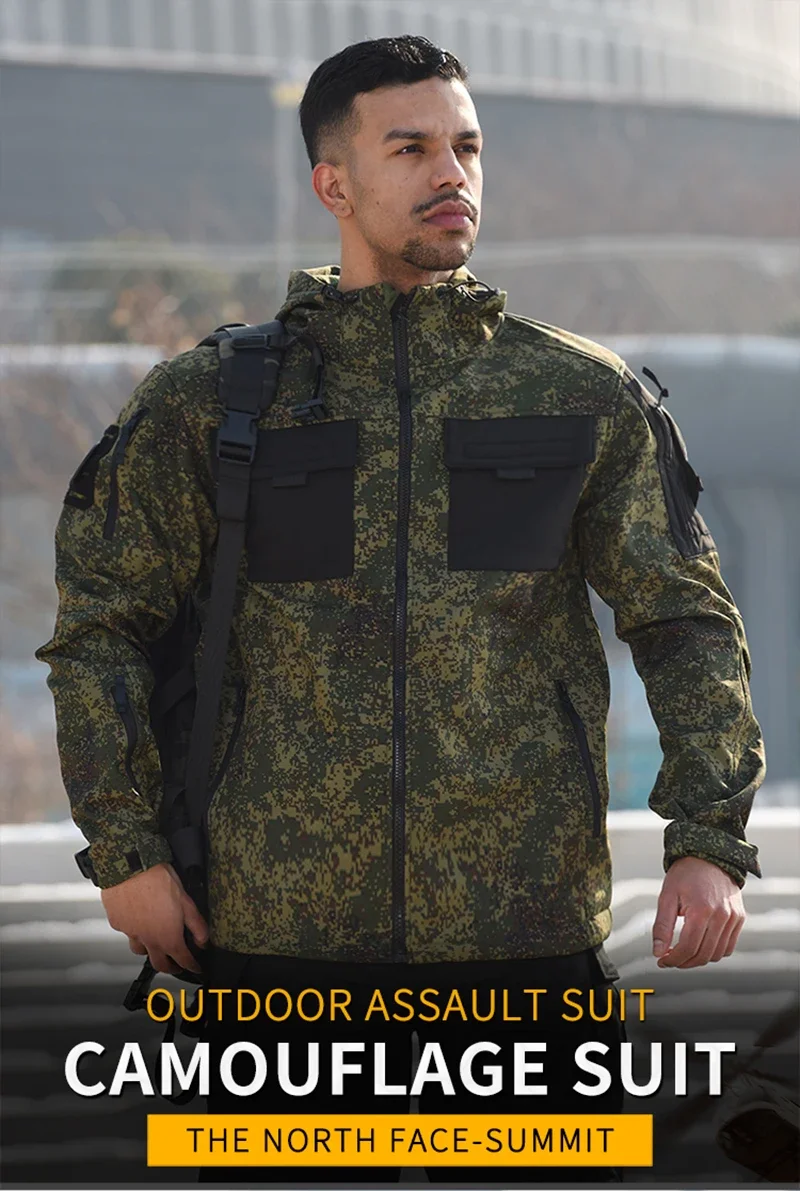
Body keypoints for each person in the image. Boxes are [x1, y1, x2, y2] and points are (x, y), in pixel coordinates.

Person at [37, 35, 765, 1185]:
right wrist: (125, 854)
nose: (451, 173)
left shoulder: (576, 392)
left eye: (467, 146)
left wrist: (707, 841)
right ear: (332, 183)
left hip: (522, 950)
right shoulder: (212, 401)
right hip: (277, 950)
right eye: (411, 147)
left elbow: (684, 622)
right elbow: (101, 631)